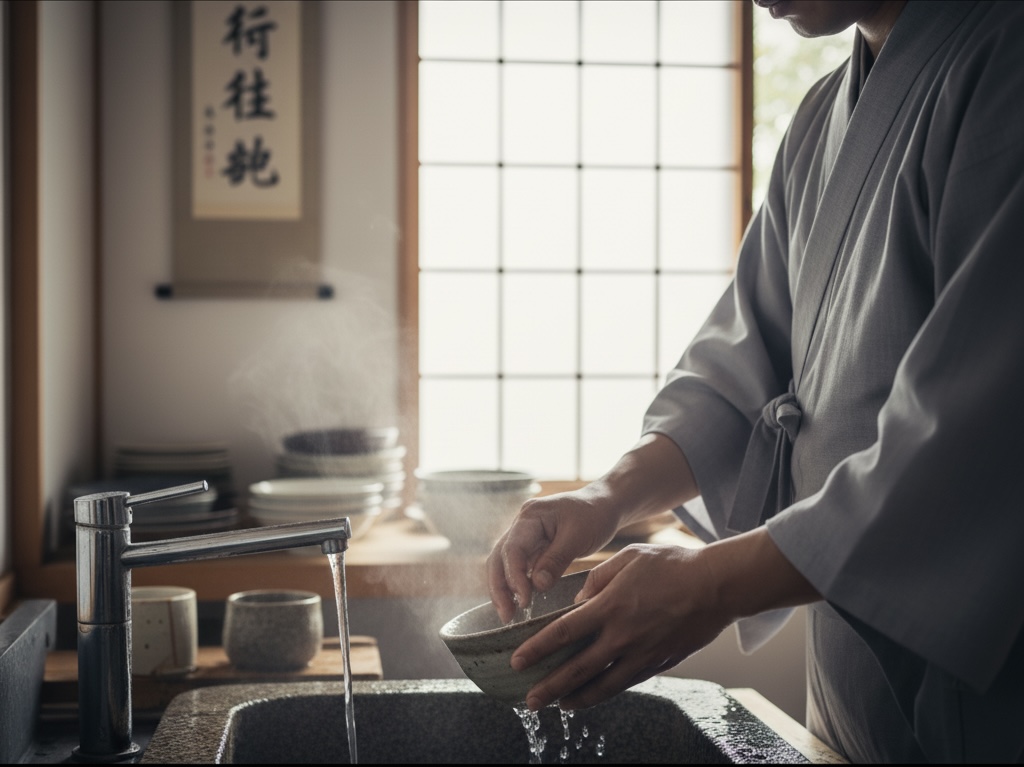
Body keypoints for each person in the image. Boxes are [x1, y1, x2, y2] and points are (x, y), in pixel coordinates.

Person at [484, 0, 1024, 762]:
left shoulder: (1004, 60)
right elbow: (741, 372)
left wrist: (710, 582)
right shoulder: (818, 120)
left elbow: (976, 441)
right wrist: (605, 496)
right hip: (848, 700)